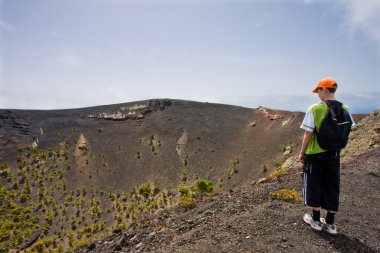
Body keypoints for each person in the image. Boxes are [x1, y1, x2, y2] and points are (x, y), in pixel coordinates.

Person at [298, 77, 355, 235]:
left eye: (318, 91)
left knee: (314, 182)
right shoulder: (345, 108)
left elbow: (308, 132)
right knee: (332, 184)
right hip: (334, 153)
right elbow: (349, 129)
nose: (317, 94)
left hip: (315, 153)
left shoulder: (315, 109)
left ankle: (315, 220)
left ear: (325, 90)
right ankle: (330, 223)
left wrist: (302, 152)